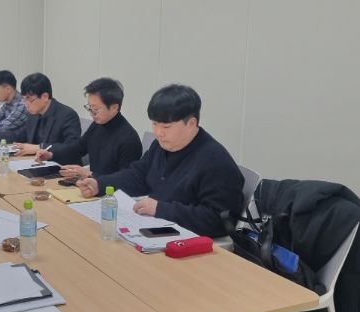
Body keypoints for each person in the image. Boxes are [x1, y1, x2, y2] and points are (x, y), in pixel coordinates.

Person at [77, 84, 244, 237]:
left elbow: (217, 220)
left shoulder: (216, 162)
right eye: (154, 124)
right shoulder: (161, 146)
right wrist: (99, 184)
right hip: (154, 230)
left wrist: (161, 209)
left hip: (189, 242)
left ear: (191, 123)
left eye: (166, 127)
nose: (158, 133)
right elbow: (137, 176)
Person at [35, 77, 142, 178]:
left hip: (108, 190)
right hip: (91, 185)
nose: (91, 113)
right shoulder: (98, 125)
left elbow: (125, 180)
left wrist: (88, 174)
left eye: (95, 109)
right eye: (89, 108)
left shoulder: (129, 140)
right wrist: (51, 155)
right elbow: (78, 148)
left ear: (114, 107)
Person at [0, 72, 82, 165]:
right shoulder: (33, 113)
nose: (26, 104)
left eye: (29, 99)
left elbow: (72, 147)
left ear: (45, 97)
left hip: (62, 167)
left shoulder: (67, 115)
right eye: (23, 99)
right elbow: (19, 134)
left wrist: (39, 147)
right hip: (36, 163)